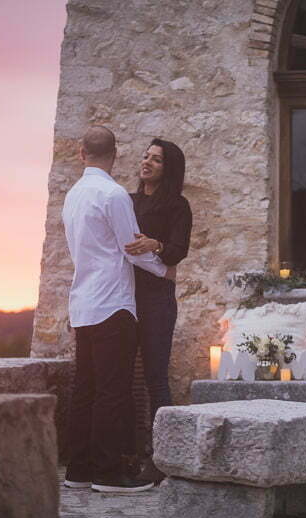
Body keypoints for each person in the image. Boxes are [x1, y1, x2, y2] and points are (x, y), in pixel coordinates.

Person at [62, 126, 176, 493]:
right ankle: (108, 473)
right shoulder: (113, 194)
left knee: (85, 389)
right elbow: (133, 248)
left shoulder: (73, 196)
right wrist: (164, 269)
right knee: (114, 391)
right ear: (115, 153)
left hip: (83, 302)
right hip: (113, 302)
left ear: (82, 153)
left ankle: (78, 470)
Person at [123, 138, 192, 483]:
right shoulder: (128, 201)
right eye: (146, 156)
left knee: (155, 378)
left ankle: (162, 458)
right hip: (122, 298)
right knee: (121, 379)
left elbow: (178, 251)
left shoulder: (178, 206)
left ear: (169, 169)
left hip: (157, 301)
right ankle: (127, 454)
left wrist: (156, 244)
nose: (147, 162)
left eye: (157, 160)